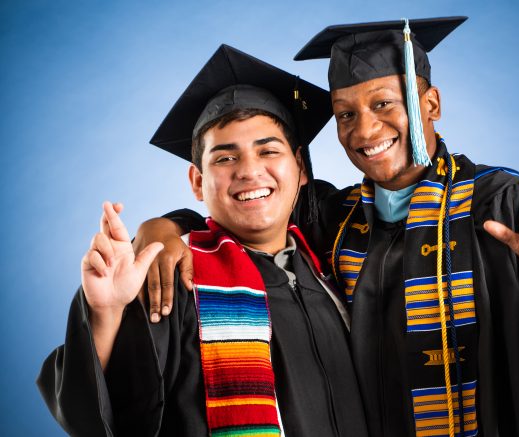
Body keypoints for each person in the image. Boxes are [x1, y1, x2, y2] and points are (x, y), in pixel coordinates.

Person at [135, 18, 519, 437]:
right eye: (345, 114)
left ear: (430, 104)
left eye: (383, 104)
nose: (364, 129)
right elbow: (248, 206)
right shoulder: (336, 216)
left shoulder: (507, 204)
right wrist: (161, 228)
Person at [37, 45, 368, 437]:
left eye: (268, 151)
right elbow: (111, 412)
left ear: (300, 168)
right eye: (225, 159)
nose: (249, 171)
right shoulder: (179, 279)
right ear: (197, 182)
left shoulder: (335, 254)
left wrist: (167, 223)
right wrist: (106, 313)